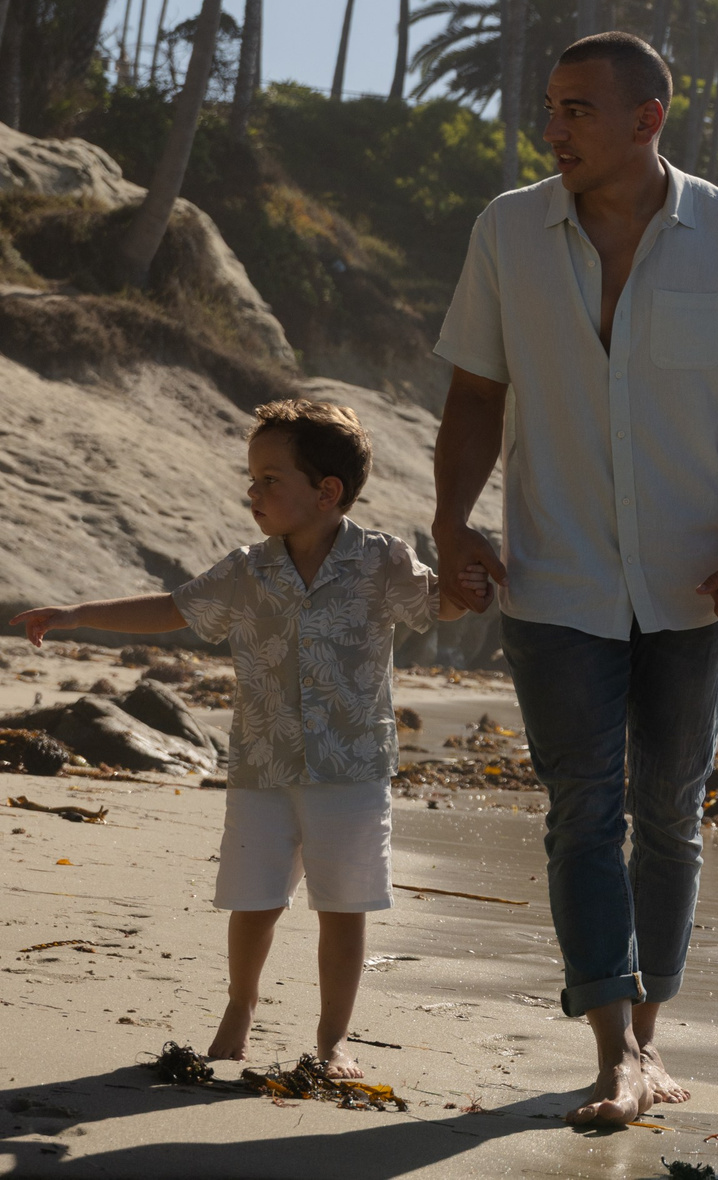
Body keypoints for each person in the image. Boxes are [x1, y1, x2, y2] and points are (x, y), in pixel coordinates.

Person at [430, 31, 718, 1127]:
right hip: (554, 572)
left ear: (648, 119)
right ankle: (612, 1050)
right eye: (550, 106)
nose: (553, 127)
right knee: (583, 811)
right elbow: (475, 395)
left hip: (694, 579)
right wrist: (451, 519)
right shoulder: (507, 230)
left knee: (672, 814)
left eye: (578, 108)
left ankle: (648, 1031)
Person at [12, 399, 461, 1079]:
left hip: (351, 768)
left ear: (327, 491)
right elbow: (173, 609)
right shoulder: (247, 569)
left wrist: (473, 582)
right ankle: (240, 1005)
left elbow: (440, 604)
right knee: (254, 900)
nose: (253, 492)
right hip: (261, 765)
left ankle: (333, 1039)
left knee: (344, 908)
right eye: (252, 479)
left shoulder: (381, 560)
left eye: (269, 480)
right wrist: (79, 613)